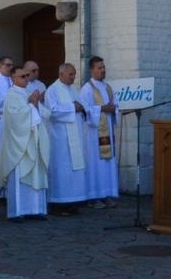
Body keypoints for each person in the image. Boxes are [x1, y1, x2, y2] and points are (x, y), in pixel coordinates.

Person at [0, 63, 49, 221]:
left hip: (33, 139)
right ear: (13, 78)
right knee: (20, 176)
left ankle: (36, 209)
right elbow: (14, 118)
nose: (27, 78)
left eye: (27, 76)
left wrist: (36, 104)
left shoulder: (28, 92)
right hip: (19, 143)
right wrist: (31, 105)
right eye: (23, 76)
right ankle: (17, 211)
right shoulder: (11, 95)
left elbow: (45, 113)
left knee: (36, 174)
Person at [43, 63, 88, 214]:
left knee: (74, 170)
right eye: (71, 74)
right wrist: (72, 107)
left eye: (74, 74)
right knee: (62, 169)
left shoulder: (74, 89)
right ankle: (58, 203)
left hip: (75, 134)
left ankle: (72, 201)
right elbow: (52, 111)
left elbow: (82, 105)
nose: (73, 77)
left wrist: (81, 107)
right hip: (60, 138)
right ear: (61, 74)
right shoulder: (52, 90)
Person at [78, 57, 119, 208]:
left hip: (107, 130)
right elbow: (85, 110)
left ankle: (106, 194)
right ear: (92, 70)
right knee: (95, 164)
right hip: (93, 134)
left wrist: (114, 108)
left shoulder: (108, 87)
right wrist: (102, 108)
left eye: (103, 67)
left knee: (107, 164)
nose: (103, 70)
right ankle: (93, 197)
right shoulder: (87, 89)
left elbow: (115, 104)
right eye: (99, 68)